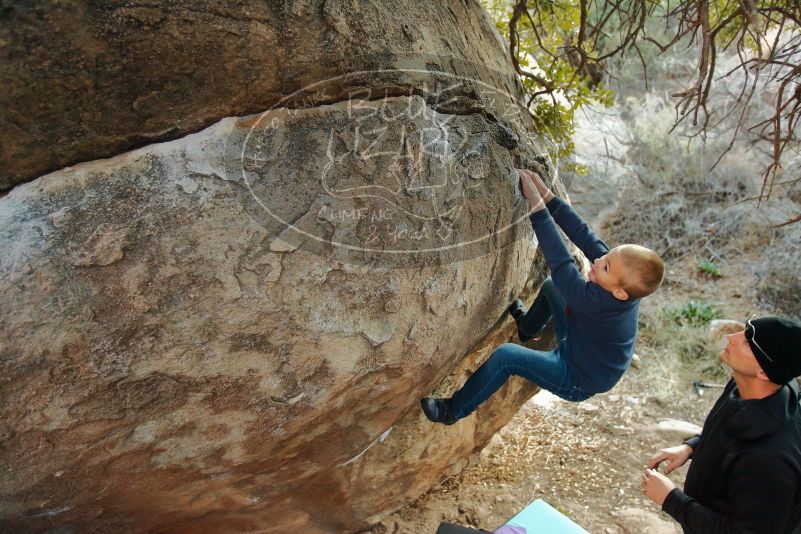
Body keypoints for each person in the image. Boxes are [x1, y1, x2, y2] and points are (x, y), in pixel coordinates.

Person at [421, 168, 664, 424]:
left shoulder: (597, 303)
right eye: (607, 255)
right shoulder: (617, 277)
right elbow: (584, 235)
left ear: (620, 293)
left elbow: (562, 266)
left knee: (507, 356)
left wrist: (537, 207)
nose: (599, 259)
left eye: (605, 266)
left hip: (575, 377)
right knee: (552, 287)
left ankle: (452, 411)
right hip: (579, 343)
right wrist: (548, 197)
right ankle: (528, 328)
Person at [642, 315, 801, 533]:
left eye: (747, 341)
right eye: (745, 330)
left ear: (764, 371)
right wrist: (692, 447)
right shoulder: (746, 385)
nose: (731, 337)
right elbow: (733, 431)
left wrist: (672, 499)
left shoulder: (769, 458)